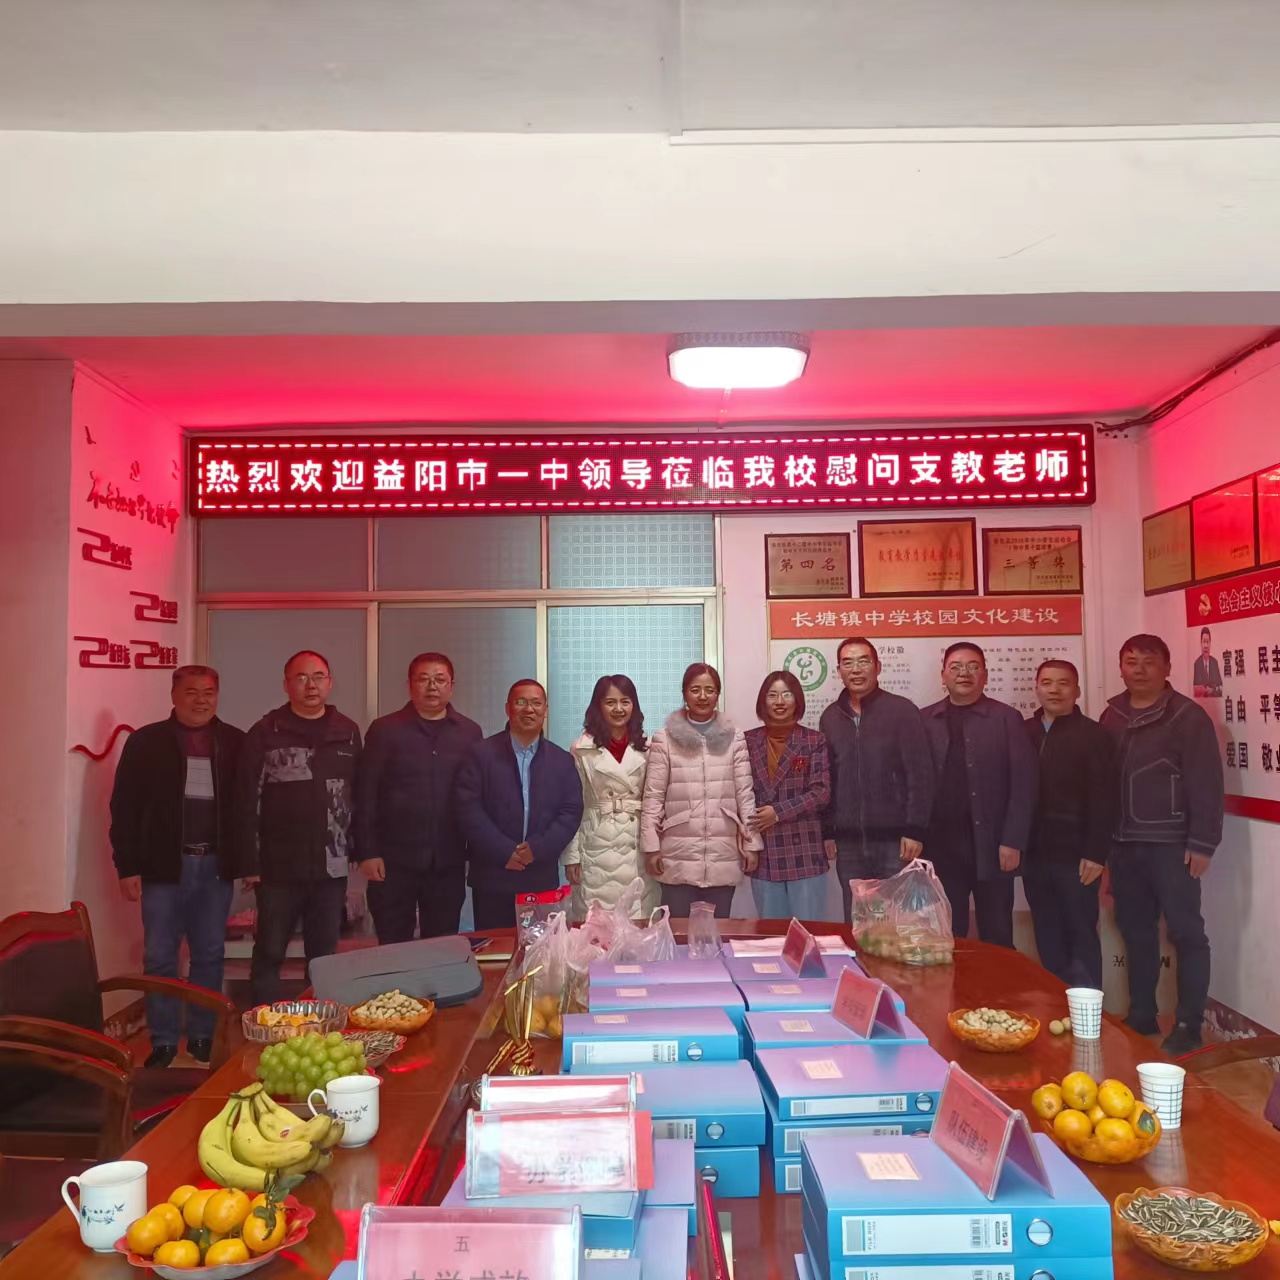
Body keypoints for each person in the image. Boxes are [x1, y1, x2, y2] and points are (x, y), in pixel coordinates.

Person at [109, 665, 244, 1066]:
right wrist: (126, 866)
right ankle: (164, 1041)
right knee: (159, 957)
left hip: (215, 866)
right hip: (163, 867)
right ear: (173, 696)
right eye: (191, 692)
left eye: (208, 692)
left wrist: (248, 862)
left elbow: (248, 809)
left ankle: (202, 1037)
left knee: (209, 953)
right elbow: (124, 807)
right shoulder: (146, 742)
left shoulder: (235, 742)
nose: (201, 700)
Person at [1101, 633, 1224, 1055]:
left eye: (1149, 661)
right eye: (1130, 661)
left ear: (1167, 668)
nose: (1139, 669)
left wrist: (1203, 842)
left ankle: (1189, 1024)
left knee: (1187, 933)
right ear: (1121, 667)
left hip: (1173, 845)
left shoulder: (1187, 716)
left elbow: (1206, 782)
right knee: (1136, 931)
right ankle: (1142, 1014)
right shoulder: (1112, 713)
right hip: (1124, 843)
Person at [238, 651, 362, 1006]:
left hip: (330, 864)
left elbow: (359, 794)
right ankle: (265, 1025)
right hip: (278, 866)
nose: (311, 685)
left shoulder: (347, 731)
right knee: (270, 951)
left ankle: (318, 1025)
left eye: (318, 677)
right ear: (286, 684)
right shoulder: (266, 732)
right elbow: (246, 799)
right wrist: (248, 862)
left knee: (323, 958)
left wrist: (359, 848)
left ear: (330, 683)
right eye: (302, 678)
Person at [355, 652, 482, 943]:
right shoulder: (385, 730)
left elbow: (475, 795)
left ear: (451, 686)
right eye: (423, 679)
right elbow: (365, 793)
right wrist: (367, 851)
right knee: (393, 944)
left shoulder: (469, 733)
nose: (432, 686)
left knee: (441, 944)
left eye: (440, 680)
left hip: (448, 860)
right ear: (410, 685)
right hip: (392, 861)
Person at [921, 642, 1037, 948]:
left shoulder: (1006, 718)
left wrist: (1013, 841)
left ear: (985, 676)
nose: (964, 673)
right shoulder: (926, 719)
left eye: (973, 667)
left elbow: (1023, 784)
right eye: (956, 667)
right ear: (943, 675)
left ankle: (998, 983)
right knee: (947, 934)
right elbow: (915, 783)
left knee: (997, 933)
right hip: (941, 847)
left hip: (993, 845)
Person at [819, 636, 934, 922]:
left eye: (863, 661)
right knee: (859, 920)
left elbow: (920, 774)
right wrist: (828, 831)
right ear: (839, 670)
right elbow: (828, 779)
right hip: (849, 844)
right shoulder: (830, 717)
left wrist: (915, 830)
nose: (856, 669)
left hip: (896, 842)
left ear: (878, 667)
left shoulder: (902, 711)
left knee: (898, 920)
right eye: (848, 663)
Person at [455, 679, 584, 929]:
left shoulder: (562, 760)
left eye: (536, 703)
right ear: (508, 708)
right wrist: (505, 850)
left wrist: (537, 848)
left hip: (540, 874)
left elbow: (570, 812)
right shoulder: (480, 754)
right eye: (521, 702)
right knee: (494, 947)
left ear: (545, 710)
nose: (529, 709)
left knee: (540, 948)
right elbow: (468, 808)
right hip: (493, 873)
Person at [1022, 659, 1117, 989]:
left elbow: (1105, 798)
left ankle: (1088, 1010)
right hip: (1034, 855)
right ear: (1036, 688)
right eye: (1047, 682)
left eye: (1063, 683)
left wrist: (1096, 852)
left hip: (1077, 857)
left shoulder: (1094, 735)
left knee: (1080, 933)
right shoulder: (1025, 732)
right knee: (1047, 932)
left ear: (1077, 690)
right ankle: (1057, 1005)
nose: (1054, 690)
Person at [641, 663, 761, 918]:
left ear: (718, 694)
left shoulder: (735, 738)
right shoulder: (664, 738)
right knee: (678, 932)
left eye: (710, 690)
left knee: (717, 931)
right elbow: (653, 796)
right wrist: (651, 847)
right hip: (677, 854)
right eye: (695, 690)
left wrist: (752, 843)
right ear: (684, 694)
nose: (703, 696)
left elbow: (745, 795)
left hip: (723, 852)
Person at [563, 675, 656, 921]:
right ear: (598, 706)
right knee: (597, 928)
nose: (618, 709)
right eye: (610, 702)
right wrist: (571, 856)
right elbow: (572, 806)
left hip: (637, 844)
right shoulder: (581, 749)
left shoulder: (647, 748)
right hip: (596, 844)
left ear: (634, 705)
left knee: (638, 925)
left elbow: (656, 802)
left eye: (625, 702)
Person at [745, 670, 832, 920]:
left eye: (787, 694)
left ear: (797, 700)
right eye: (772, 695)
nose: (780, 701)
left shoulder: (813, 740)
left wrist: (777, 813)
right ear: (763, 701)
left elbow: (821, 793)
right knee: (771, 936)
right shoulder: (747, 741)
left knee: (806, 933)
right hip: (765, 854)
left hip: (803, 852)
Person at [1192, 626, 1224, 697]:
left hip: (1214, 701)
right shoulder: (1197, 664)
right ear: (1201, 643)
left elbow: (1220, 688)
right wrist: (1204, 691)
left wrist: (1212, 691)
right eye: (1204, 642)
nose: (1206, 646)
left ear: (1210, 643)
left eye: (1207, 642)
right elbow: (1195, 691)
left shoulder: (1214, 663)